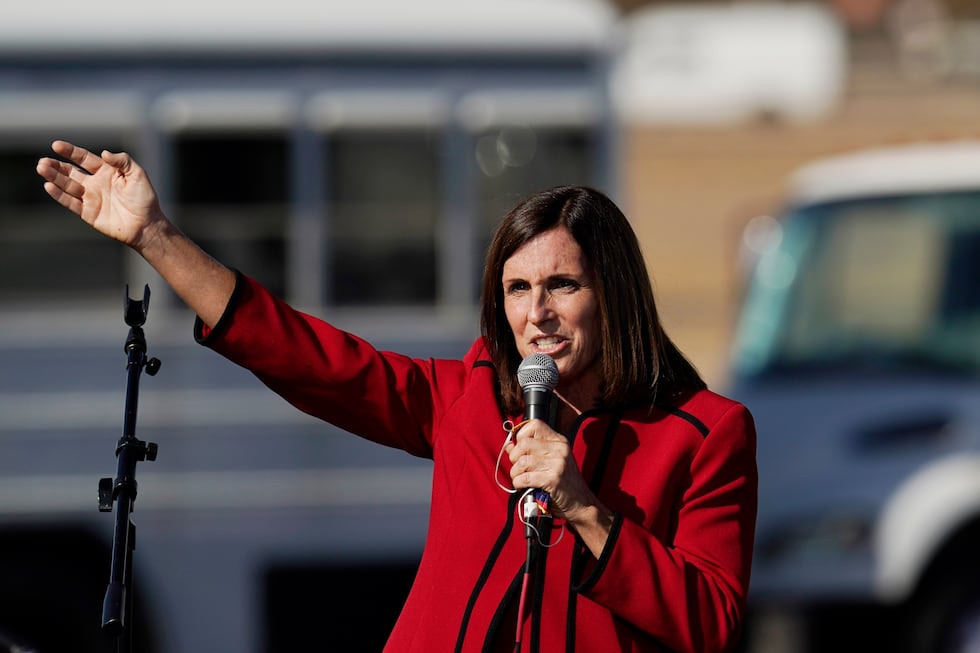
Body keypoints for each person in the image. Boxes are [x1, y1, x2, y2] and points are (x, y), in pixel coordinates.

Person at [36, 140, 757, 653]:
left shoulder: (705, 433)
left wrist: (585, 508)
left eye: (562, 285)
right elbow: (311, 358)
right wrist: (157, 237)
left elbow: (711, 620)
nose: (537, 312)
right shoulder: (472, 400)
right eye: (516, 289)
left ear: (614, 294)